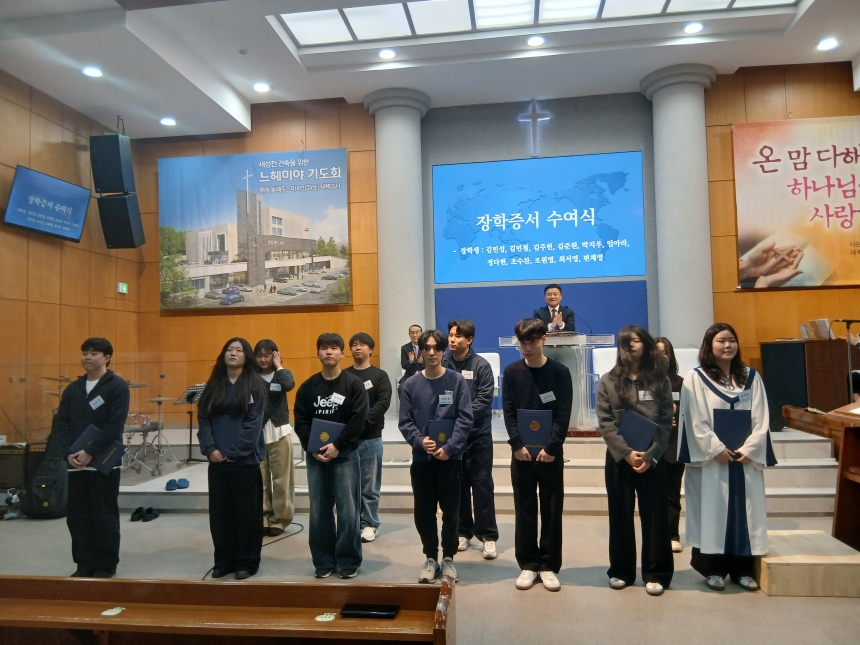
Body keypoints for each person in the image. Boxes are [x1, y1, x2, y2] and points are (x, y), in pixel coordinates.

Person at [679, 322, 776, 592]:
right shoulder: (696, 379)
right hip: (713, 460)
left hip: (744, 460)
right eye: (721, 340)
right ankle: (713, 570)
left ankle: (743, 569)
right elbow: (695, 420)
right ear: (709, 345)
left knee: (745, 513)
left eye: (731, 340)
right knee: (712, 512)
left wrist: (749, 448)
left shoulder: (751, 378)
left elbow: (762, 418)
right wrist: (715, 448)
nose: (727, 345)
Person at [596, 326, 674, 597]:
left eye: (636, 341)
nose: (630, 346)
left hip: (652, 459)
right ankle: (621, 571)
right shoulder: (608, 381)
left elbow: (666, 420)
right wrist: (627, 453)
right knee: (620, 516)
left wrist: (651, 455)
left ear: (646, 345)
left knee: (655, 517)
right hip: (620, 459)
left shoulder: (659, 379)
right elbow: (605, 422)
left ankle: (657, 573)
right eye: (625, 342)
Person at [502, 318, 572, 592]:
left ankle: (549, 565)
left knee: (552, 509)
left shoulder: (559, 372)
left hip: (551, 455)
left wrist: (552, 448)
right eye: (522, 343)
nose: (527, 348)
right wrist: (516, 445)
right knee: (525, 508)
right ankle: (529, 564)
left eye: (532, 342)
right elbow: (508, 412)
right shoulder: (512, 372)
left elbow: (563, 414)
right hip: (521, 453)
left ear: (544, 339)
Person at [399, 329, 473, 584]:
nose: (431, 353)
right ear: (421, 352)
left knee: (451, 512)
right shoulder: (411, 384)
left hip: (451, 460)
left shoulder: (457, 381)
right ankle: (430, 557)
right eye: (427, 348)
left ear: (444, 351)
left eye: (436, 348)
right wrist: (420, 441)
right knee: (424, 512)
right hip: (422, 460)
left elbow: (465, 418)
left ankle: (449, 558)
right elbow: (405, 421)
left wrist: (450, 447)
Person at [294, 333, 369, 579]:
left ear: (341, 353)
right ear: (317, 353)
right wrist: (313, 447)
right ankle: (323, 560)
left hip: (345, 456)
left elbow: (357, 420)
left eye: (334, 348)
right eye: (324, 348)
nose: (329, 352)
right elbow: (301, 421)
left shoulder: (353, 384)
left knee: (348, 510)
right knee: (319, 510)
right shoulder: (308, 387)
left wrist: (337, 446)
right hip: (316, 458)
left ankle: (348, 560)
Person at [54, 338, 130, 578]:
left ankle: (106, 565)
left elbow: (114, 424)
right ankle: (84, 564)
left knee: (103, 514)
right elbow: (61, 422)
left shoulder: (116, 386)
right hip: (76, 463)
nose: (87, 357)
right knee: (78, 517)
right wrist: (68, 452)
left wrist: (91, 451)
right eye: (85, 353)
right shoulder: (73, 389)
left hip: (103, 462)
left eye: (94, 353)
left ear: (106, 358)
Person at [197, 337, 267, 580]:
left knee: (247, 516)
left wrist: (234, 452)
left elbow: (253, 424)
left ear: (246, 356)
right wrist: (210, 449)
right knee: (220, 516)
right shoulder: (213, 386)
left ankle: (247, 562)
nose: (233, 353)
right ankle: (224, 561)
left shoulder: (255, 386)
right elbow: (204, 420)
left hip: (245, 463)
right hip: (217, 462)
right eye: (229, 349)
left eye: (238, 350)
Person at [441, 319, 499, 559]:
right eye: (450, 335)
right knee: (459, 486)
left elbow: (484, 401)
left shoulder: (481, 366)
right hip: (453, 438)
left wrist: (460, 416)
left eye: (457, 335)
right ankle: (463, 531)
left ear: (469, 339)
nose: (452, 339)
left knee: (482, 484)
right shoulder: (443, 364)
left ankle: (488, 536)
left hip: (478, 436)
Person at [344, 332, 392, 543]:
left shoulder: (379, 375)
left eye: (362, 344)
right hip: (348, 440)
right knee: (348, 486)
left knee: (370, 485)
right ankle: (351, 523)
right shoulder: (344, 375)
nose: (358, 348)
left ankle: (370, 524)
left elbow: (383, 402)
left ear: (371, 349)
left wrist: (362, 423)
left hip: (371, 438)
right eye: (354, 345)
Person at [254, 339, 296, 537]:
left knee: (282, 480)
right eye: (259, 355)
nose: (263, 359)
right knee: (259, 480)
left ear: (275, 355)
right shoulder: (251, 377)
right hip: (256, 435)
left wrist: (279, 366)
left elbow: (289, 384)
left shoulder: (282, 374)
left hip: (280, 432)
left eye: (267, 355)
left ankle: (280, 519)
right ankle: (262, 517)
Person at [655, 336, 685, 553]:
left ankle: (673, 535)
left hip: (674, 444)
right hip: (650, 446)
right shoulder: (644, 381)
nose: (661, 356)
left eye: (664, 352)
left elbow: (692, 412)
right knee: (653, 496)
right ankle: (655, 536)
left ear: (670, 356)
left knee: (672, 494)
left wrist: (677, 412)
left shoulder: (681, 383)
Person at [399, 324, 424, 396]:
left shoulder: (426, 346)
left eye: (417, 332)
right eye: (412, 333)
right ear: (409, 334)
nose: (414, 335)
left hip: (425, 374)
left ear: (421, 333)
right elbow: (403, 365)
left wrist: (423, 362)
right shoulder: (405, 348)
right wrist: (410, 361)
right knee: (401, 388)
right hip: (410, 375)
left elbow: (433, 363)